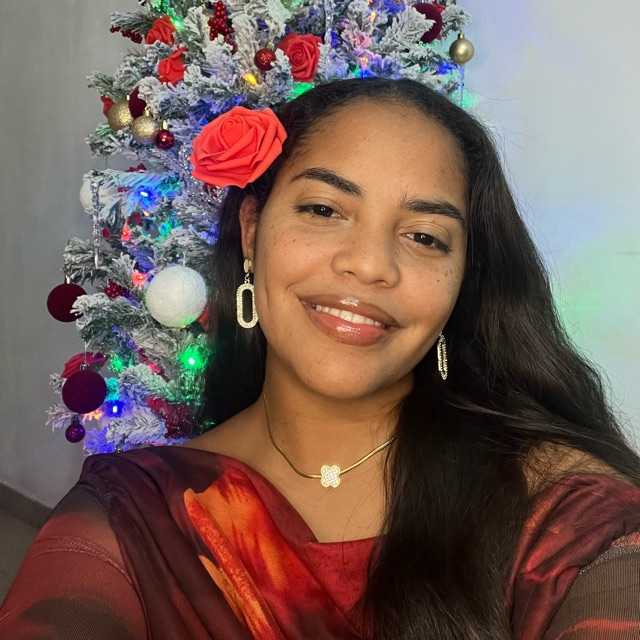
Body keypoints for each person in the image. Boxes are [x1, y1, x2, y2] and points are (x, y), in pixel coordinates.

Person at [2, 77, 640, 639]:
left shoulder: (561, 511)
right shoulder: (132, 517)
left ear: (462, 280)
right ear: (252, 230)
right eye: (324, 209)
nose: (369, 264)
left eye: (425, 236)